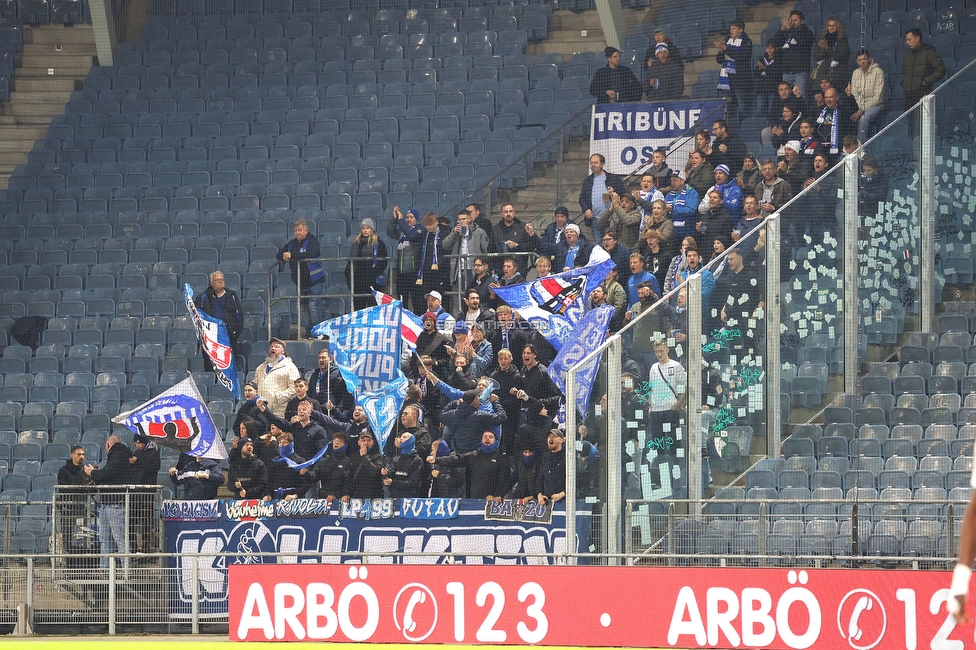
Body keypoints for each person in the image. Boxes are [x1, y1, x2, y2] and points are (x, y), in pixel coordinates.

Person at [84, 435, 133, 569]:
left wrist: (93, 473)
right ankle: (104, 569)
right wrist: (96, 474)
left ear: (107, 446)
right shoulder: (115, 457)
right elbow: (107, 476)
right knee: (105, 539)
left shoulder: (119, 456)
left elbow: (107, 474)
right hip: (106, 504)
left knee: (119, 539)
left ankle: (125, 570)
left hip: (115, 504)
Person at [428, 430, 507, 499]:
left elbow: (504, 479)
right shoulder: (474, 455)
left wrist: (497, 495)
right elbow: (456, 459)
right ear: (481, 440)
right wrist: (437, 460)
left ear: (496, 441)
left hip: (492, 501)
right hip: (473, 501)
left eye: (491, 437)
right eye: (485, 436)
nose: (487, 438)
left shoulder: (501, 458)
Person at [277, 218, 324, 331]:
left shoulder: (312, 240)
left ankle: (318, 332)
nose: (297, 233)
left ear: (306, 230)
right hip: (300, 282)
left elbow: (311, 253)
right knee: (303, 309)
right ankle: (308, 332)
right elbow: (279, 253)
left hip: (315, 281)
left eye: (300, 230)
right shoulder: (292, 243)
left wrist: (291, 255)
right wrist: (284, 255)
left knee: (313, 307)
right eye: (295, 231)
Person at [194, 271, 243, 371]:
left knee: (228, 367)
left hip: (228, 338)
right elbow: (197, 315)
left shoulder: (232, 296)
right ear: (211, 283)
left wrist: (234, 333)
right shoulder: (204, 297)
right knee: (210, 368)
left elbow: (240, 317)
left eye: (222, 280)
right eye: (217, 280)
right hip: (210, 339)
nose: (221, 282)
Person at [58, 445, 94, 565]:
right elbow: (66, 489)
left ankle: (83, 563)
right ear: (72, 455)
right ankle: (68, 563)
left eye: (83, 454)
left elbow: (91, 488)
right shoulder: (64, 471)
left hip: (83, 509)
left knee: (85, 537)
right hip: (67, 509)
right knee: (67, 537)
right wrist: (83, 487)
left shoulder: (85, 470)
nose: (81, 457)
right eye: (79, 454)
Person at [580, 153, 627, 243]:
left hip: (611, 219)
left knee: (610, 243)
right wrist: (586, 209)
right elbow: (581, 198)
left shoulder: (613, 178)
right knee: (599, 245)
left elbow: (624, 194)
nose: (593, 165)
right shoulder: (588, 181)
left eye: (596, 163)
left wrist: (614, 191)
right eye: (591, 163)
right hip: (595, 219)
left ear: (602, 164)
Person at [345, 218, 388, 311]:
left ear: (371, 229)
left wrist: (372, 274)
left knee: (373, 308)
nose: (365, 230)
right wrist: (348, 274)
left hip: (372, 280)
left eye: (367, 228)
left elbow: (383, 261)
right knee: (358, 308)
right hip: (357, 281)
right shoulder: (356, 243)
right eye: (363, 228)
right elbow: (351, 260)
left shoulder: (379, 244)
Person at [387, 206, 425, 312]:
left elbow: (411, 235)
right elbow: (390, 232)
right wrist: (394, 219)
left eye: (411, 217)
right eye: (407, 217)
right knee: (402, 301)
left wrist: (400, 220)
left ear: (416, 219)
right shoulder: (402, 231)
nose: (408, 219)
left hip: (414, 272)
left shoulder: (420, 230)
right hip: (401, 271)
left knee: (416, 302)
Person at [714, 21, 753, 123]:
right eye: (730, 28)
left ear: (741, 30)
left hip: (740, 81)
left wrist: (725, 48)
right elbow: (719, 60)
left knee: (742, 107)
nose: (731, 31)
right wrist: (721, 49)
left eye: (734, 28)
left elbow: (740, 56)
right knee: (727, 107)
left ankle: (743, 126)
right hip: (727, 81)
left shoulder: (746, 41)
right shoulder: (727, 40)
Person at [443, 209, 489, 292]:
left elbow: (485, 249)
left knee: (473, 292)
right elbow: (445, 245)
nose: (461, 221)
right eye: (459, 219)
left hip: (473, 269)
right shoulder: (455, 233)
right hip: (458, 269)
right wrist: (453, 233)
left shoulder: (479, 232)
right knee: (458, 294)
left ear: (470, 219)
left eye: (464, 219)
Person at [901, 28, 946, 110]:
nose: (907, 42)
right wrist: (904, 83)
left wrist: (925, 81)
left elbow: (941, 70)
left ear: (917, 39)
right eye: (906, 40)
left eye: (909, 39)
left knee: (924, 122)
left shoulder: (929, 52)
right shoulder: (907, 56)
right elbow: (903, 73)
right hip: (909, 98)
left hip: (924, 96)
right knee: (912, 122)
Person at [846, 49, 885, 144]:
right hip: (859, 106)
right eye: (859, 60)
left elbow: (878, 97)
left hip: (876, 106)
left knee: (863, 119)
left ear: (869, 59)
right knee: (846, 117)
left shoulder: (878, 72)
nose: (862, 62)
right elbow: (855, 93)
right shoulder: (856, 73)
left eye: (864, 59)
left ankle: (859, 149)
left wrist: (861, 110)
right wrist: (860, 108)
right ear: (856, 61)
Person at [254, 338, 300, 418]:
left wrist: (278, 398)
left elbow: (294, 388)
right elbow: (254, 385)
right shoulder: (261, 367)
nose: (273, 348)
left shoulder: (290, 367)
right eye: (271, 347)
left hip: (279, 410)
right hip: (261, 409)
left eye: (276, 347)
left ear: (283, 351)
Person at [776, 10, 816, 100]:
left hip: (800, 72)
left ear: (802, 21)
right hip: (786, 71)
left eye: (796, 20)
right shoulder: (787, 33)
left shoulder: (807, 33)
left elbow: (801, 41)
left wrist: (790, 28)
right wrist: (782, 28)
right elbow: (776, 42)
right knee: (785, 98)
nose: (793, 22)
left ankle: (803, 114)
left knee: (801, 97)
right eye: (791, 20)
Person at [416, 212, 449, 315]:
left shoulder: (444, 234)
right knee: (427, 298)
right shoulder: (424, 236)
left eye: (430, 225)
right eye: (426, 225)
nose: (428, 227)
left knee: (439, 297)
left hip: (440, 273)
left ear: (436, 222)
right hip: (426, 273)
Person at [307, 349, 353, 418]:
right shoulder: (314, 375)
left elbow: (344, 393)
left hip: (330, 411)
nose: (321, 360)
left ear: (330, 359)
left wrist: (339, 408)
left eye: (324, 357)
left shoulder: (337, 374)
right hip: (316, 410)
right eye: (319, 358)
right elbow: (309, 393)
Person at [342, 429, 385, 500]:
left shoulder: (379, 456)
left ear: (372, 442)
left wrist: (364, 456)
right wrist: (346, 493)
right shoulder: (353, 457)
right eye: (363, 440)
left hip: (374, 497)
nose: (366, 443)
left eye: (368, 440)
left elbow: (374, 472)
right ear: (359, 442)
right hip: (356, 496)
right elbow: (349, 477)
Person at [811, 17, 850, 92]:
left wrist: (827, 48)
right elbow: (816, 56)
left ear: (838, 27)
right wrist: (823, 49)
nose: (831, 28)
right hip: (824, 72)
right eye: (829, 25)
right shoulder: (822, 38)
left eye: (834, 25)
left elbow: (840, 56)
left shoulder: (842, 40)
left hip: (839, 74)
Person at [817, 87, 855, 164]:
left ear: (837, 97)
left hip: (838, 148)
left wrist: (849, 96)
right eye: (826, 97)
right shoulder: (821, 111)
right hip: (822, 148)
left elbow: (853, 109)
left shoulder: (843, 110)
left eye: (831, 97)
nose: (828, 100)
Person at [598, 186, 643, 251]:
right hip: (615, 248)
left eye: (626, 202)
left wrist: (617, 206)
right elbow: (600, 223)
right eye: (621, 201)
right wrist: (610, 210)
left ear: (632, 205)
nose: (623, 203)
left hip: (630, 249)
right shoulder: (616, 212)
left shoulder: (637, 215)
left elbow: (627, 221)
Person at [492, 203, 533, 273]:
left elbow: (530, 246)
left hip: (519, 269)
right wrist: (492, 267)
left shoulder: (523, 227)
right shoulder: (495, 229)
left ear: (514, 213)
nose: (508, 214)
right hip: (500, 270)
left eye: (511, 211)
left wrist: (517, 246)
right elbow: (491, 249)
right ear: (501, 214)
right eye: (506, 212)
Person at [383, 432, 426, 498]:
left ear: (411, 440)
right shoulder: (396, 458)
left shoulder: (417, 461)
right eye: (401, 437)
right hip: (394, 497)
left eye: (405, 437)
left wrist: (393, 483)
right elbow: (391, 473)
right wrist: (386, 472)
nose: (401, 439)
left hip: (410, 498)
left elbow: (413, 483)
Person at [313, 432, 351, 505]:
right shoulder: (323, 461)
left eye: (340, 441)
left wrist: (336, 495)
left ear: (345, 445)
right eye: (335, 441)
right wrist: (306, 473)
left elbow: (348, 483)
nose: (336, 443)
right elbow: (314, 476)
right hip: (324, 498)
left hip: (340, 499)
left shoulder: (348, 462)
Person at [665, 171, 700, 247]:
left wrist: (673, 209)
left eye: (675, 180)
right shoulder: (669, 194)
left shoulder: (691, 193)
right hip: (673, 233)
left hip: (687, 231)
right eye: (671, 181)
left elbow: (691, 210)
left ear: (682, 180)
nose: (672, 183)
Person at [228, 434, 268, 499]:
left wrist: (248, 492)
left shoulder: (259, 464)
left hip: (255, 500)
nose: (249, 447)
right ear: (241, 447)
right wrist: (235, 486)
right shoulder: (235, 465)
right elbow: (230, 485)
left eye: (251, 445)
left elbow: (263, 484)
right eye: (247, 445)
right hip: (238, 500)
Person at [754, 41, 784, 120]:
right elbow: (756, 75)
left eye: (771, 48)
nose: (769, 50)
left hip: (773, 88)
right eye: (767, 48)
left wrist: (764, 68)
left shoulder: (779, 59)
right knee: (759, 109)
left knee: (771, 110)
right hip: (762, 88)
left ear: (775, 48)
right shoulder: (762, 59)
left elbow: (777, 73)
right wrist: (759, 69)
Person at [536, 429, 567, 506]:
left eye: (554, 436)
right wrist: (539, 495)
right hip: (547, 503)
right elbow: (540, 478)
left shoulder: (567, 456)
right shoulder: (545, 457)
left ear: (561, 440)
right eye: (549, 437)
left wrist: (562, 494)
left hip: (564, 503)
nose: (550, 438)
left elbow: (576, 480)